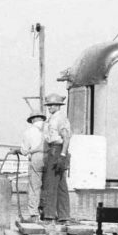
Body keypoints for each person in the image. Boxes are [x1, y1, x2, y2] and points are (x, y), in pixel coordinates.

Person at [40, 92, 72, 222]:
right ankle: (64, 215)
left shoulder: (59, 119)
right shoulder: (53, 118)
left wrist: (62, 155)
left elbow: (66, 137)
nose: (50, 107)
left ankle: (49, 214)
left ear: (58, 106)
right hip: (55, 150)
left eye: (52, 105)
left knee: (51, 183)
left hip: (57, 150)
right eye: (49, 105)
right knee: (60, 185)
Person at [10, 111, 45, 220]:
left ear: (32, 120)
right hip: (51, 157)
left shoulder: (29, 132)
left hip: (37, 157)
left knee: (34, 187)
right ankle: (47, 214)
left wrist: (17, 150)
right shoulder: (49, 128)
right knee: (48, 187)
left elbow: (25, 151)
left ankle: (34, 214)